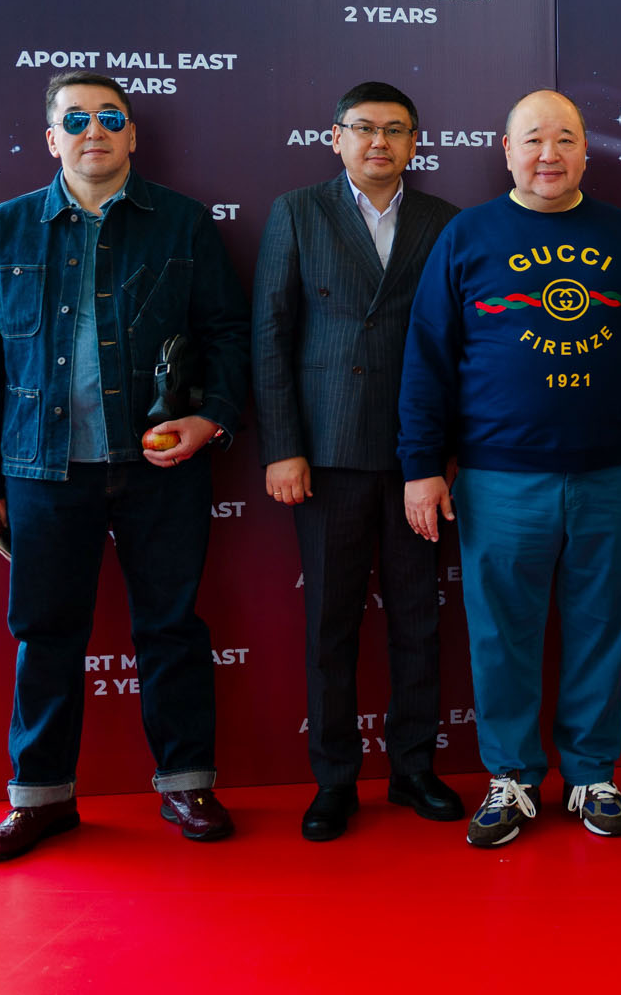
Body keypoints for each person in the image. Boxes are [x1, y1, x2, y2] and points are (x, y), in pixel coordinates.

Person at [0, 71, 249, 861]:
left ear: (133, 135)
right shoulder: (5, 229)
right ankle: (41, 798)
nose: (95, 131)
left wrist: (210, 419)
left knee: (171, 627)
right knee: (46, 632)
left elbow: (227, 332)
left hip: (161, 465)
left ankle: (187, 783)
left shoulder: (183, 223)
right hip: (42, 469)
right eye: (77, 119)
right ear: (52, 137)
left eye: (111, 118)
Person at [397, 90, 621, 847]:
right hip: (498, 479)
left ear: (586, 151)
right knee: (500, 634)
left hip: (613, 474)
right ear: (506, 150)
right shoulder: (467, 235)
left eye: (564, 139)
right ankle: (513, 778)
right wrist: (420, 466)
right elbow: (427, 358)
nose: (548, 154)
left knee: (601, 630)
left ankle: (591, 774)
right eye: (532, 139)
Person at [252, 81, 464, 841]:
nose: (380, 142)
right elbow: (270, 335)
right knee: (330, 626)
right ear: (335, 136)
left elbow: (460, 345)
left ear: (415, 143)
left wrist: (446, 451)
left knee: (418, 620)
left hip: (415, 458)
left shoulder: (444, 221)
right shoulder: (297, 212)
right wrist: (284, 447)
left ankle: (413, 769)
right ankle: (334, 780)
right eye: (365, 128)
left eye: (396, 130)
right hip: (328, 454)